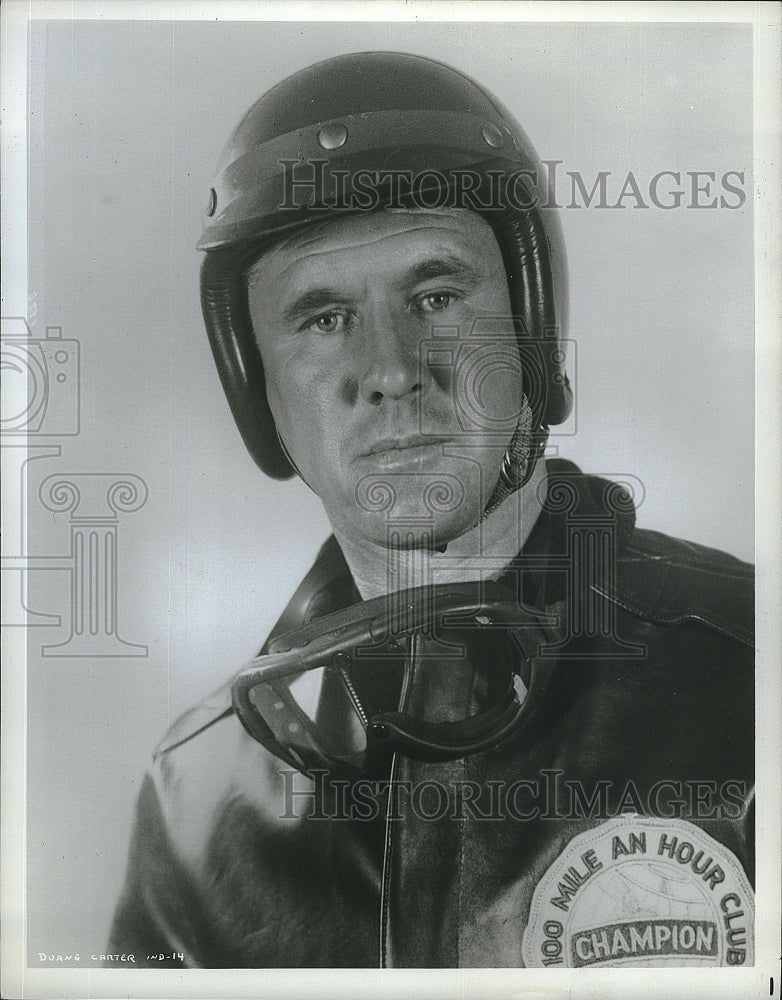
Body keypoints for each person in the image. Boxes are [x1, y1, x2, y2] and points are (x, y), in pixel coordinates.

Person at [108, 51, 754, 969]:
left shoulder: (749, 679)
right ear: (257, 389)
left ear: (530, 329)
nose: (392, 369)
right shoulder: (197, 796)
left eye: (437, 295)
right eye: (324, 318)